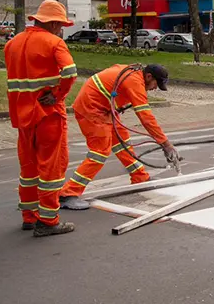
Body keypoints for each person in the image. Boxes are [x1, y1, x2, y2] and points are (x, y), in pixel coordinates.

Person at [59, 64, 177, 210]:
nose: (154, 89)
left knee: (123, 144)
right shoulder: (135, 81)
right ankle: (68, 193)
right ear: (148, 77)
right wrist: (165, 144)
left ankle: (140, 178)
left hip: (105, 109)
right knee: (99, 153)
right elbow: (146, 118)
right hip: (92, 110)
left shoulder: (134, 74)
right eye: (155, 84)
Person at [4, 0, 77, 237]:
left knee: (28, 167)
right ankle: (48, 220)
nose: (61, 29)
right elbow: (70, 73)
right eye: (61, 25)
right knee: (51, 167)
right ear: (54, 23)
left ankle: (29, 216)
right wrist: (57, 95)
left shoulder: (12, 43)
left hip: (22, 115)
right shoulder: (54, 43)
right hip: (48, 115)